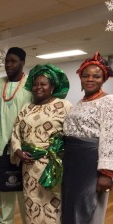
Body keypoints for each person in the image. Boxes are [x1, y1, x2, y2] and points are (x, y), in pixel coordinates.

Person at [11, 64, 72, 224]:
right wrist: (18, 152)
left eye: (43, 84)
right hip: (29, 167)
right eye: (36, 84)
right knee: (31, 205)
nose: (38, 87)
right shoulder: (26, 108)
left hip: (52, 166)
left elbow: (72, 136)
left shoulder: (64, 106)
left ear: (52, 86)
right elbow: (15, 133)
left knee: (53, 206)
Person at [62, 52, 113, 224]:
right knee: (72, 207)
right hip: (72, 164)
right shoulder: (80, 102)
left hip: (91, 163)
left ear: (103, 79)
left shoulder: (108, 101)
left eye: (96, 76)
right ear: (81, 78)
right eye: (86, 76)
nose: (90, 79)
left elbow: (110, 136)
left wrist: (106, 173)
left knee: (90, 209)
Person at [0, 47, 32, 224]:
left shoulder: (30, 84)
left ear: (22, 62)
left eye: (13, 61)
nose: (8, 65)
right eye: (6, 61)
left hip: (25, 148)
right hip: (1, 148)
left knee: (25, 197)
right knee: (4, 196)